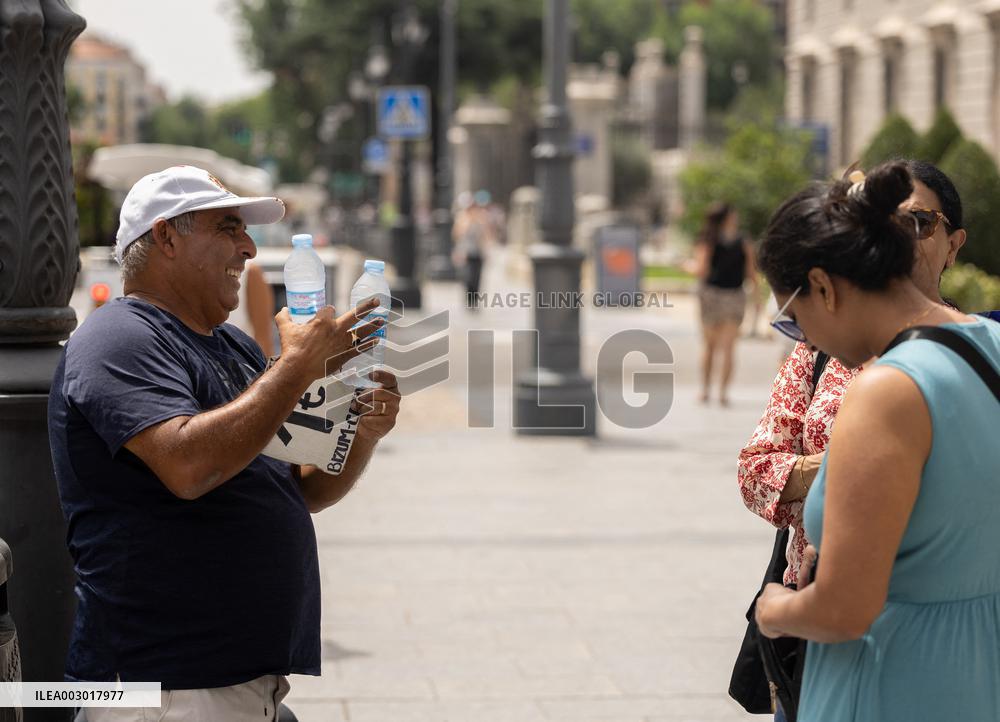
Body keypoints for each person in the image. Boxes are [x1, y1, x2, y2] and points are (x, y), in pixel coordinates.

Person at [48, 166, 401, 721]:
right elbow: (189, 466)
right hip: (163, 687)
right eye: (228, 228)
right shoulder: (118, 337)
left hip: (229, 684)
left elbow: (299, 489)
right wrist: (294, 368)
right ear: (165, 237)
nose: (249, 249)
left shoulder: (232, 347)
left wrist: (362, 433)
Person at [752, 161, 1000, 721]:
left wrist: (778, 609)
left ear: (822, 286)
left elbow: (844, 612)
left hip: (893, 678)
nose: (804, 338)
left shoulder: (885, 387)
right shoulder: (992, 342)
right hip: (981, 668)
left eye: (794, 319)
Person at [738, 160, 968, 594]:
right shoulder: (822, 347)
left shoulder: (965, 352)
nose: (899, 236)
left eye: (920, 222)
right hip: (815, 600)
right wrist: (833, 468)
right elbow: (755, 471)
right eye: (886, 221)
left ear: (954, 245)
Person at [693, 202, 758, 405]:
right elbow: (751, 273)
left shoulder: (708, 240)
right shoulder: (743, 241)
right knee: (729, 347)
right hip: (735, 297)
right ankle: (723, 394)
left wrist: (685, 265)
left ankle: (705, 390)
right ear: (729, 217)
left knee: (709, 346)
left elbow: (701, 270)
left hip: (711, 295)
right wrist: (757, 301)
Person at [452, 190, 497, 309]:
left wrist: (488, 249)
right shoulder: (462, 217)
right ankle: (468, 298)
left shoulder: (481, 216)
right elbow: (457, 234)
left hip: (478, 251)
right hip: (466, 252)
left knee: (477, 276)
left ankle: (475, 300)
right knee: (468, 277)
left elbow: (487, 234)